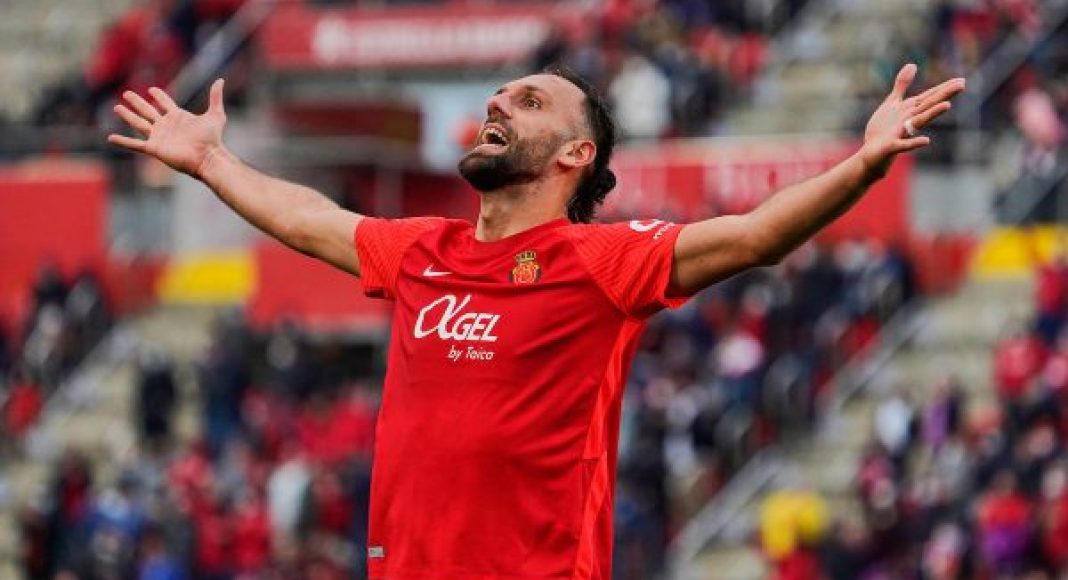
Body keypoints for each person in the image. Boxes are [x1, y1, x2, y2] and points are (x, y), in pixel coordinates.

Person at [108, 64, 964, 578]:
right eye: (499, 95)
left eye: (528, 101)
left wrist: (863, 164)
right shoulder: (422, 250)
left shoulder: (601, 262)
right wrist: (212, 161)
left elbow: (754, 235)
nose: (499, 103)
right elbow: (311, 219)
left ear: (575, 154)